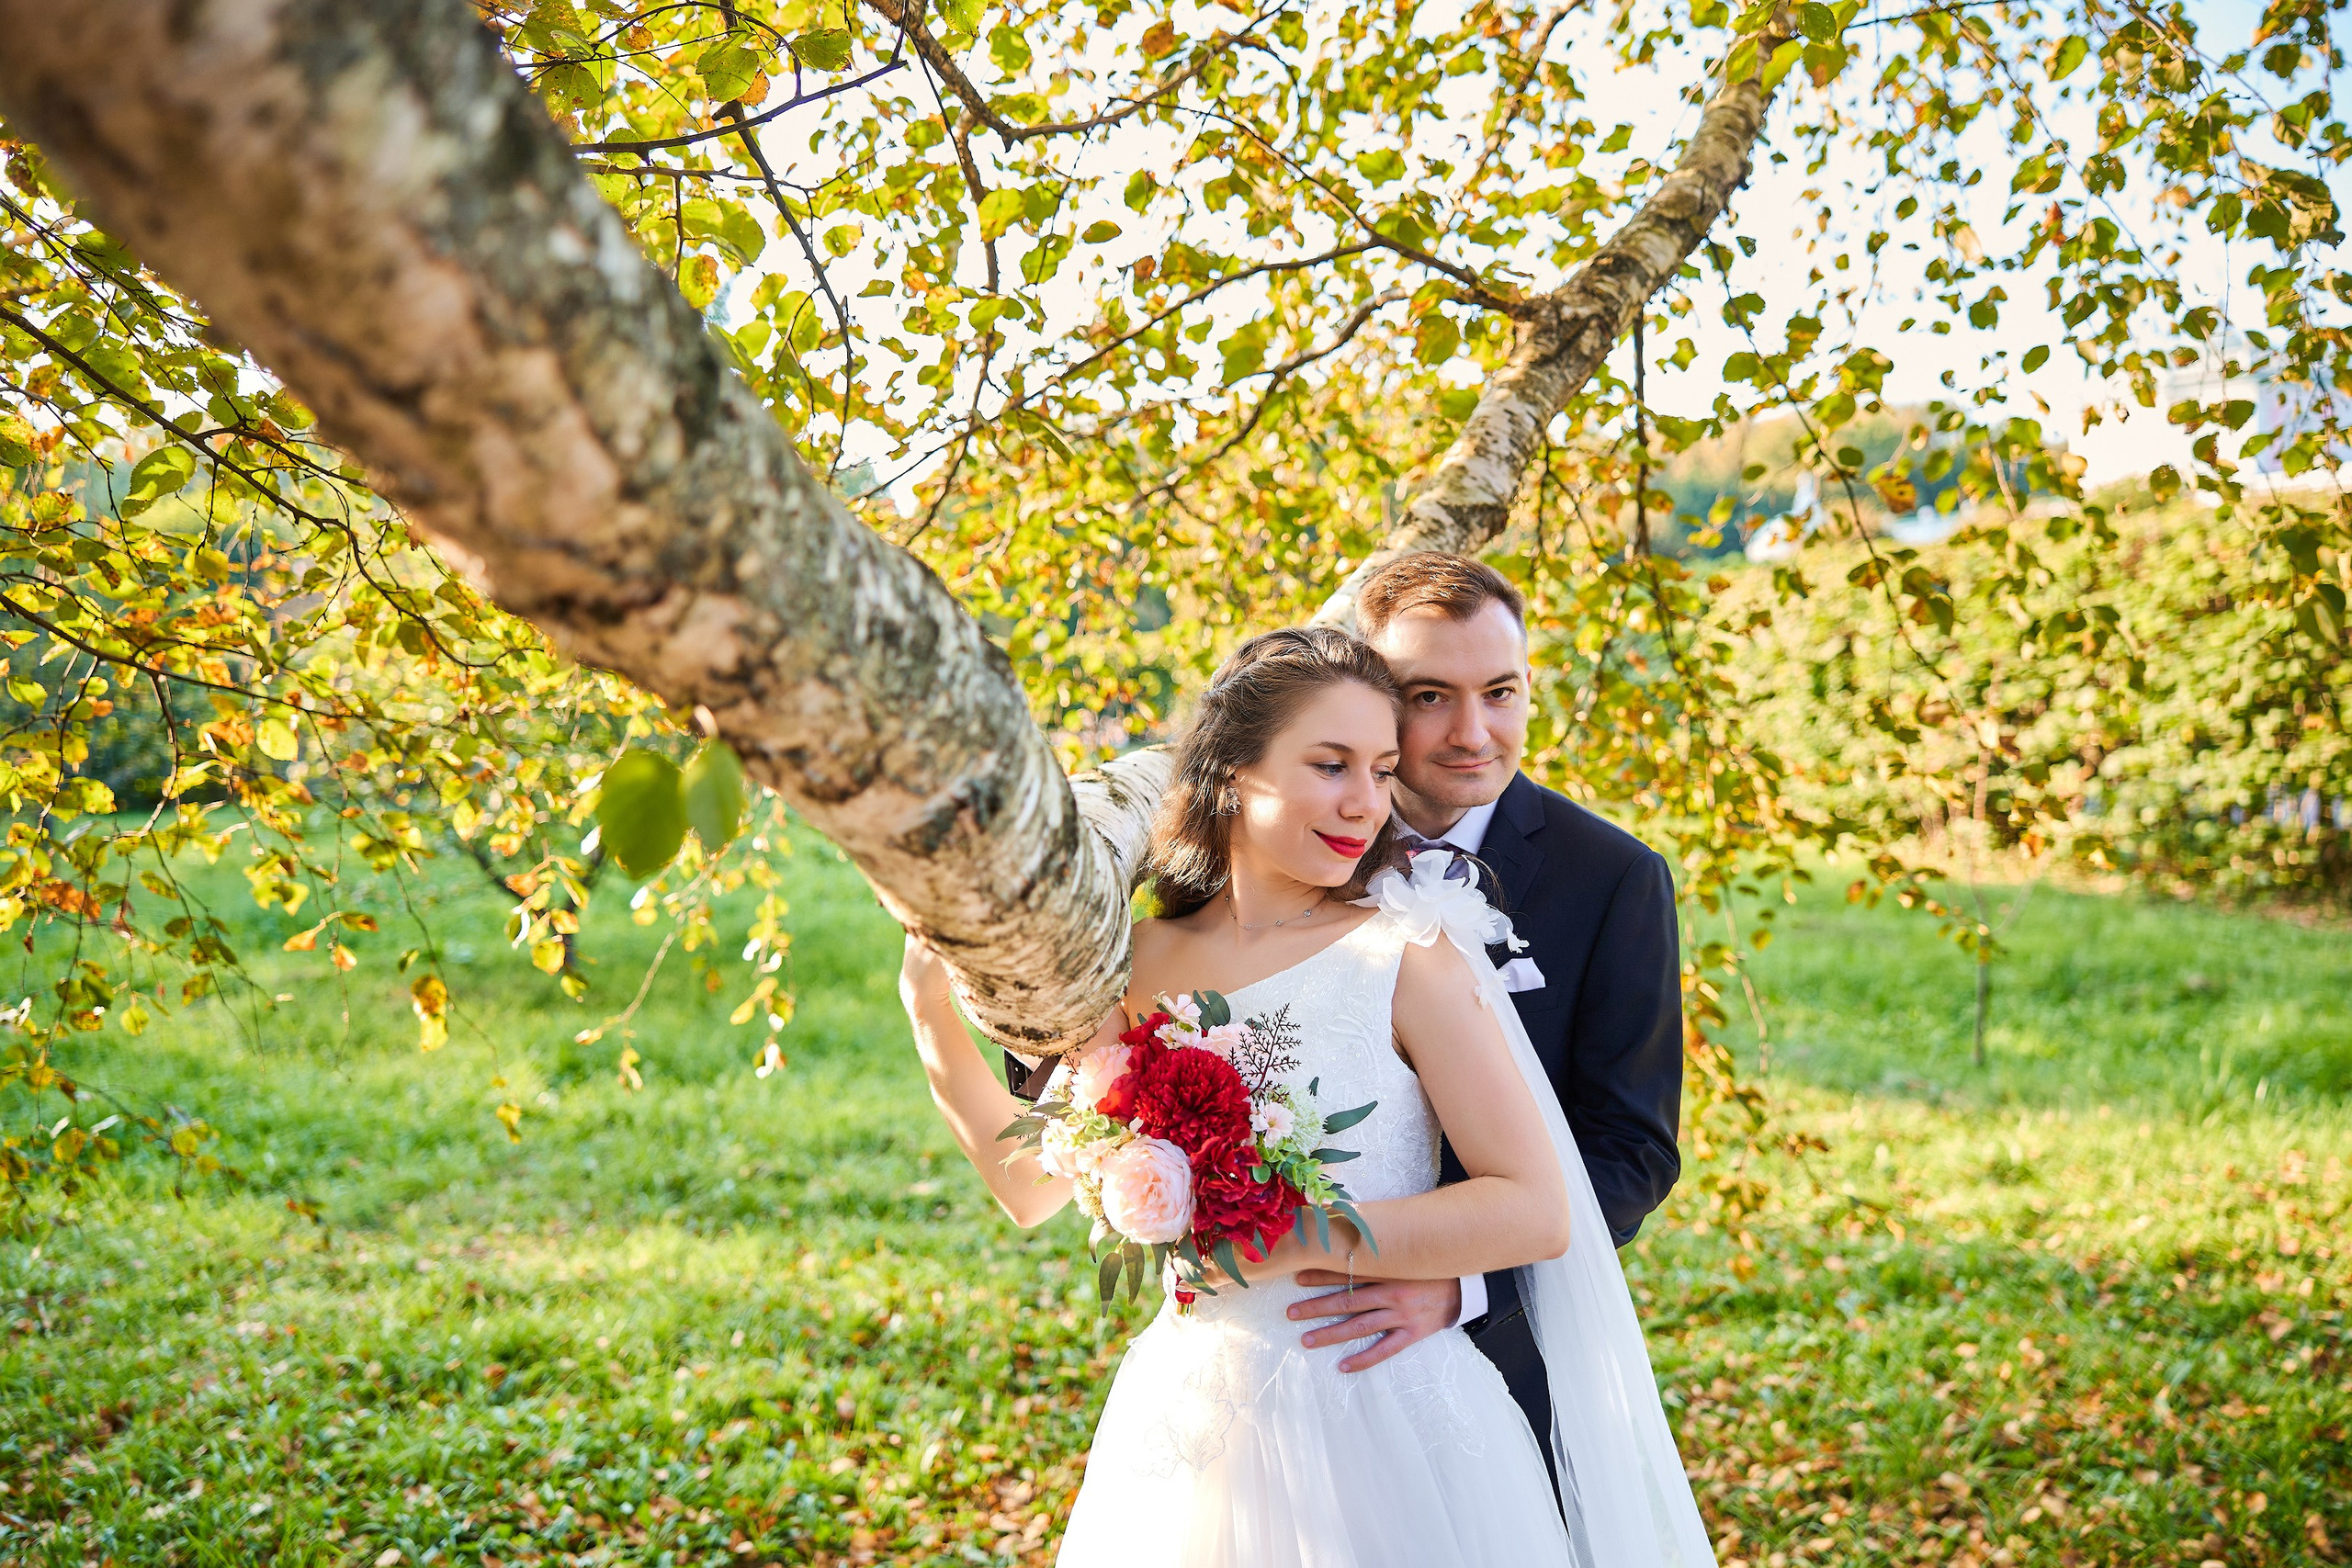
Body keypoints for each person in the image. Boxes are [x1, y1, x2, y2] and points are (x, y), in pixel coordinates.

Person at [899, 626, 1712, 1568]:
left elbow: (1535, 1211)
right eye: (1330, 766)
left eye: (1378, 768)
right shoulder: (1140, 959)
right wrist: (927, 1004)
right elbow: (1034, 1187)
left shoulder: (1409, 956)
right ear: (1233, 773)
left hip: (1385, 1414)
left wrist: (1301, 1237)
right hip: (1197, 1416)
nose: (1366, 804)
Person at [1288, 552, 1686, 1489]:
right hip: (1294, 1328)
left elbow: (1631, 1147)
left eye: (1500, 692)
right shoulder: (1294, 852)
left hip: (1504, 1344)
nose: (1474, 733)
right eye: (1429, 696)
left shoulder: (1614, 878)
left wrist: (1466, 1287)